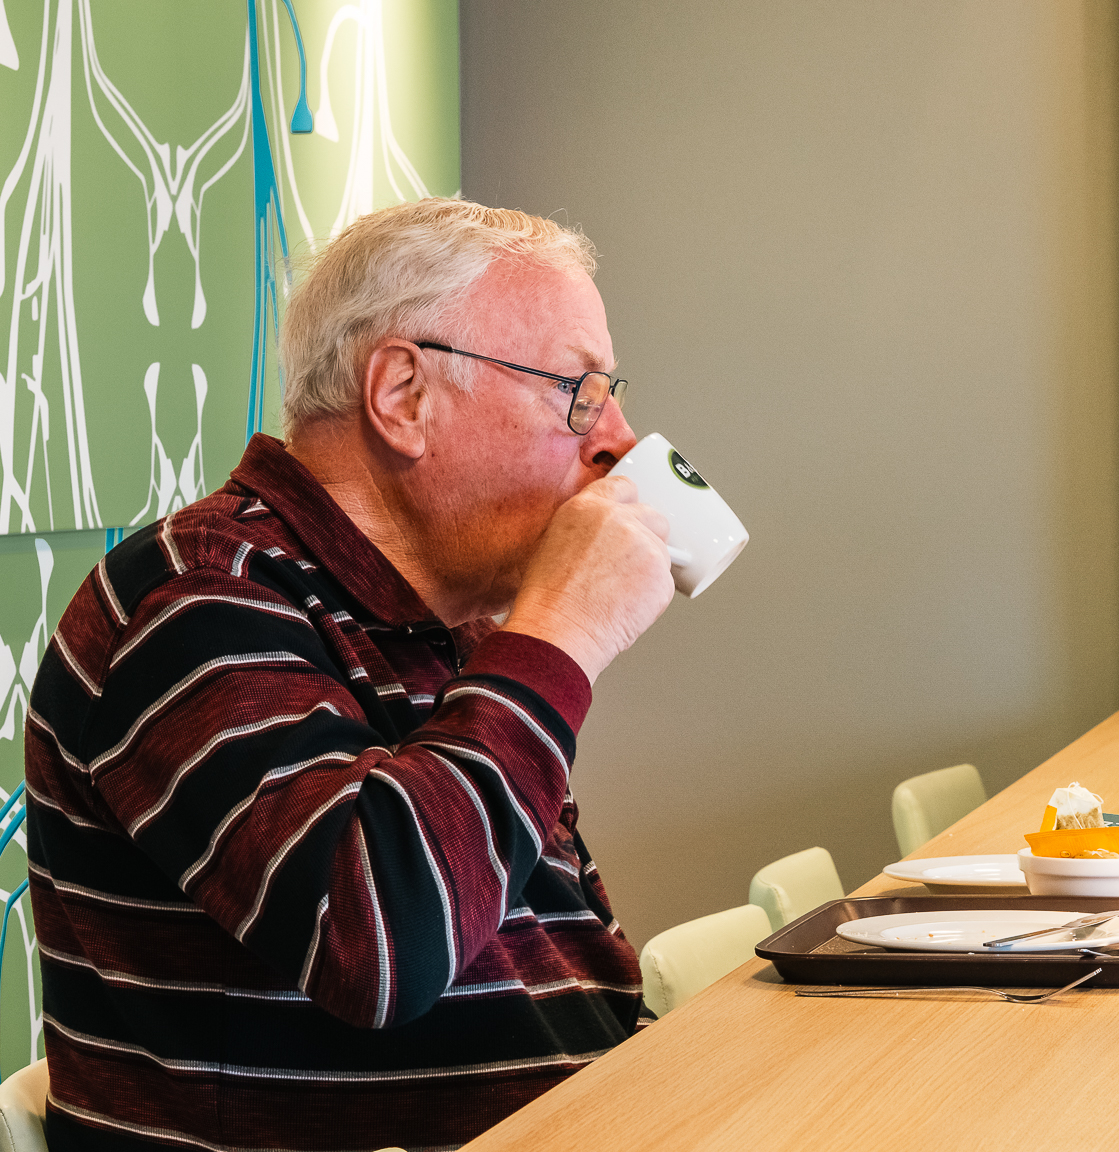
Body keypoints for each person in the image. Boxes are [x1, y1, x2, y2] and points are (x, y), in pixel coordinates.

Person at [24, 199, 678, 1152]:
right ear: (404, 395)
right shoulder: (198, 599)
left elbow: (557, 974)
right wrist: (560, 633)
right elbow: (374, 946)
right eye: (574, 392)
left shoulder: (437, 621)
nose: (617, 437)